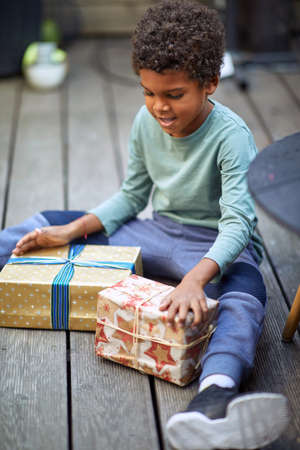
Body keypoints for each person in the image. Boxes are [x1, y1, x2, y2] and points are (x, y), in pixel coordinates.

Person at [0, 1, 289, 449]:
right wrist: (71, 232)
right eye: (149, 93)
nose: (160, 107)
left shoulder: (231, 136)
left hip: (214, 249)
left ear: (210, 83)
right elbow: (133, 196)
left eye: (175, 95)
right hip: (156, 232)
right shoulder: (146, 119)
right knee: (54, 221)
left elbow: (237, 224)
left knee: (247, 298)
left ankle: (213, 400)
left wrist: (196, 280)